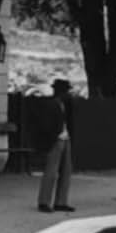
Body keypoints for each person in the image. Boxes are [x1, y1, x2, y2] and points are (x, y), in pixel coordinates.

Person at [34, 78, 75, 213]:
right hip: (56, 140)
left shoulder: (64, 104)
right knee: (51, 172)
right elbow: (46, 125)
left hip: (65, 138)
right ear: (61, 92)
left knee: (66, 171)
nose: (68, 94)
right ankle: (44, 202)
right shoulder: (51, 104)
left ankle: (60, 202)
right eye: (66, 91)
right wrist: (54, 136)